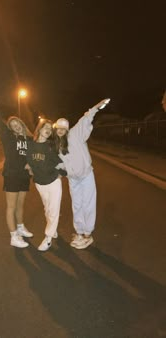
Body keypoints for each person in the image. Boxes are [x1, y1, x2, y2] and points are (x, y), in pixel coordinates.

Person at [53, 99, 110, 250]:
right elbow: (62, 163)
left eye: (63, 128)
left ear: (67, 129)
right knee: (77, 205)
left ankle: (87, 235)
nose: (60, 131)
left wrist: (97, 107)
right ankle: (79, 232)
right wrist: (59, 170)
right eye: (58, 128)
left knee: (88, 204)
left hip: (86, 175)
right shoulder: (58, 145)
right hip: (73, 179)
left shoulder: (75, 135)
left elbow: (85, 119)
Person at [0, 89, 33, 248]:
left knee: (20, 205)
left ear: (21, 124)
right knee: (11, 206)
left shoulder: (29, 139)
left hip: (24, 176)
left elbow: (34, 155)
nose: (16, 126)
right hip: (11, 174)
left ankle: (20, 228)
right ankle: (13, 236)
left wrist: (31, 164)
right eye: (12, 125)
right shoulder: (8, 137)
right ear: (10, 128)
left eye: (17, 123)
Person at [26, 119, 66, 251]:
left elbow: (60, 162)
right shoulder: (30, 145)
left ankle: (48, 238)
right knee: (47, 209)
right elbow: (27, 161)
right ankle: (52, 229)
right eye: (46, 127)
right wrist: (30, 169)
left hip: (54, 182)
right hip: (40, 183)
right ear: (39, 129)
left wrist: (61, 173)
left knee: (54, 210)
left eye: (50, 129)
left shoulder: (50, 146)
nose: (48, 130)